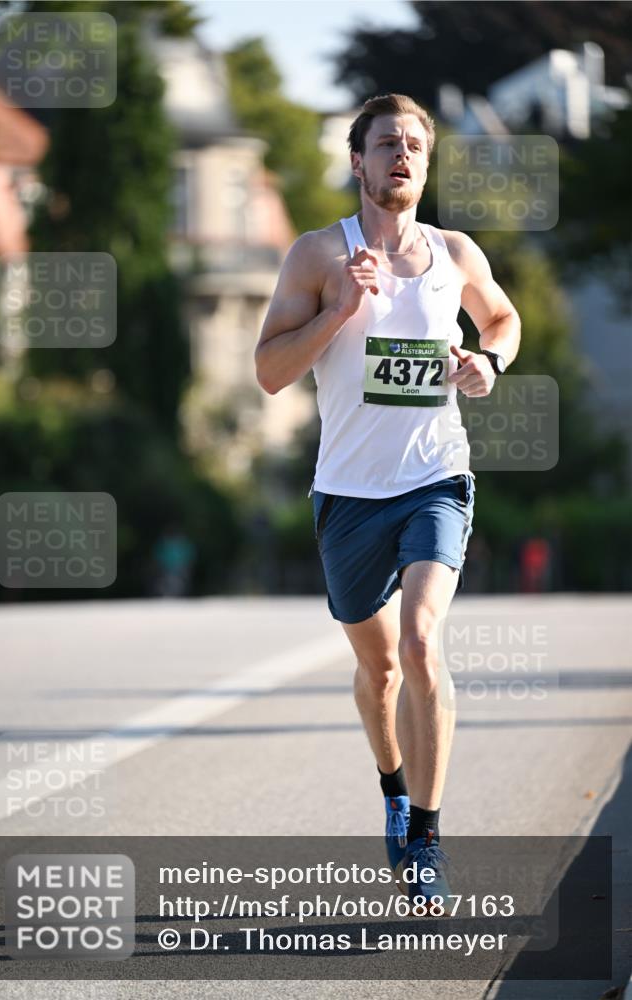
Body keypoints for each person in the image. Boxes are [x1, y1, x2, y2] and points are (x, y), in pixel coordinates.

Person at [255, 94, 521, 913]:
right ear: (357, 161)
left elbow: (502, 318)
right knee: (376, 671)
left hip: (435, 477)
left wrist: (488, 360)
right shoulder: (314, 255)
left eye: (414, 146)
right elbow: (268, 371)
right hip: (346, 494)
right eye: (385, 144)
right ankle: (394, 792)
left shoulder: (453, 252)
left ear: (424, 164)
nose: (401, 156)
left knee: (419, 640)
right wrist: (339, 310)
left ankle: (429, 839)